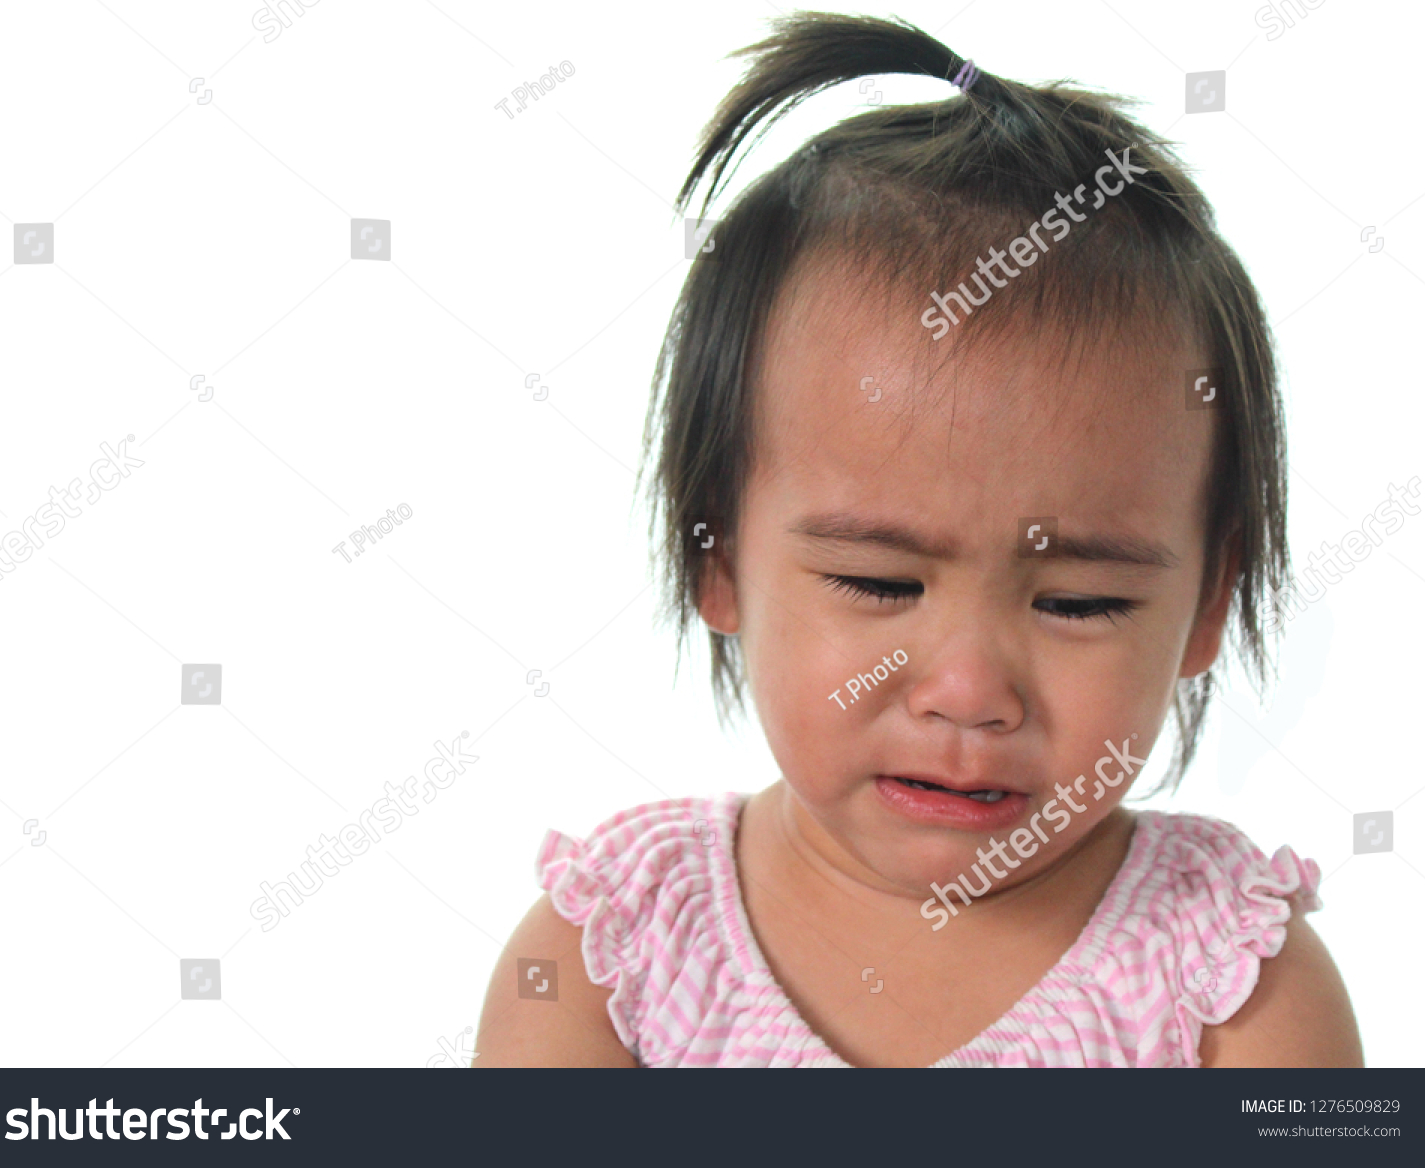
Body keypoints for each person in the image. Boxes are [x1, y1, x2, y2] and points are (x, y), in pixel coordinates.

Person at [475, 11, 1361, 1067]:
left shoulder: (1231, 981)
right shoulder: (612, 956)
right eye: (878, 582)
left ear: (1209, 603)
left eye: (1079, 601)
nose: (969, 689)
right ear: (719, 559)